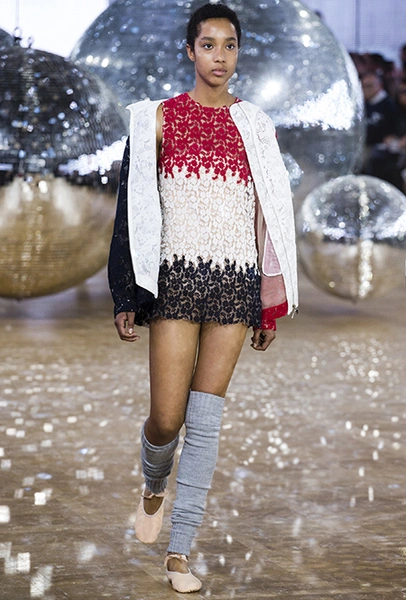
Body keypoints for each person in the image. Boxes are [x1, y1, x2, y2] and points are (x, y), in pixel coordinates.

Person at [108, 2, 298, 593]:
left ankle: (180, 552)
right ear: (189, 51)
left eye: (230, 45)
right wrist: (125, 292)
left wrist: (269, 301)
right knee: (167, 418)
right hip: (175, 282)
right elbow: (132, 210)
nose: (220, 56)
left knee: (206, 422)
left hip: (236, 285)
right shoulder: (157, 120)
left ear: (239, 52)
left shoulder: (256, 125)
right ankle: (153, 484)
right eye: (209, 45)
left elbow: (271, 216)